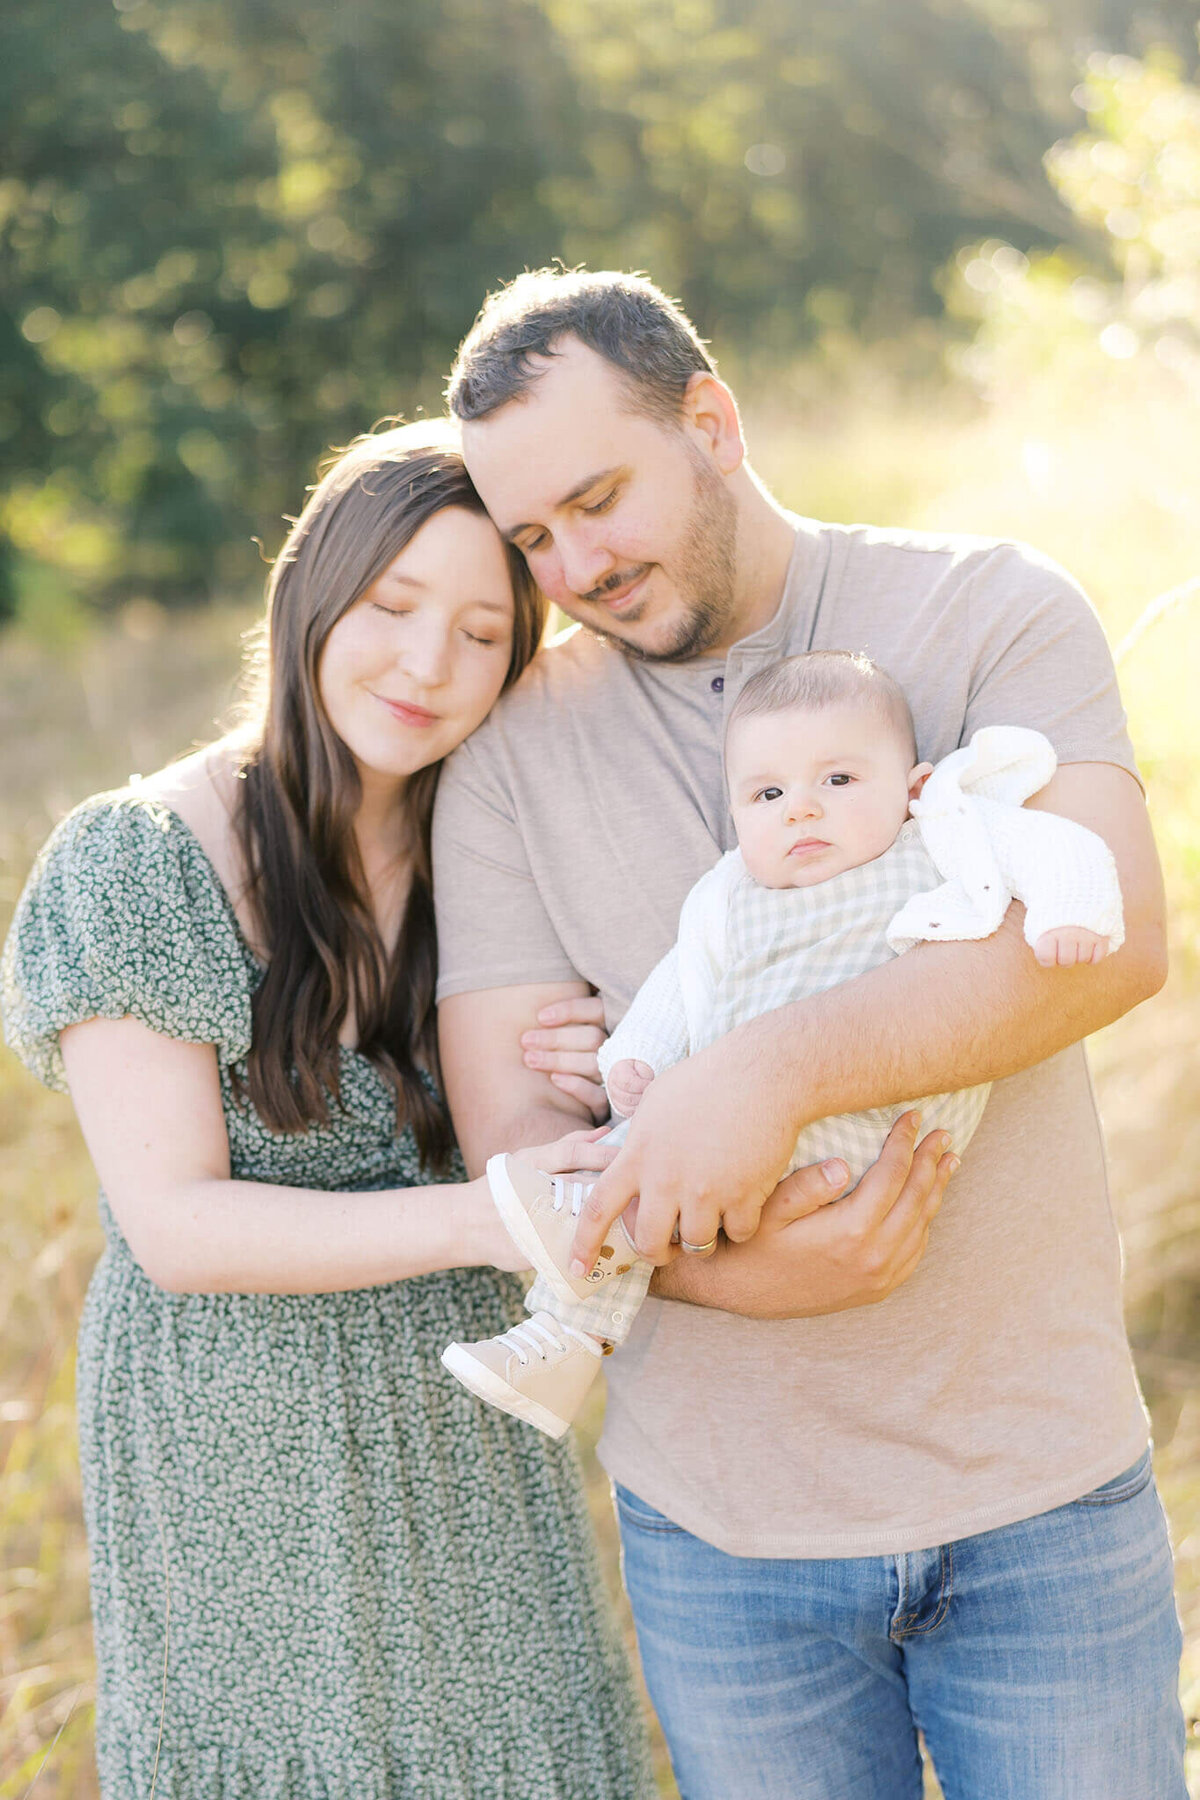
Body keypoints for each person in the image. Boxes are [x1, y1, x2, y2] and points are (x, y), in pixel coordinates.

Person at [431, 270, 1185, 1799]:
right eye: (533, 538)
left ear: (711, 420)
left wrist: (761, 1075)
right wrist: (727, 1274)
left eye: (598, 498)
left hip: (1037, 1491)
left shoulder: (987, 609)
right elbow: (516, 1136)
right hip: (723, 1545)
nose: (576, 564)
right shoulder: (509, 759)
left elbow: (1106, 945)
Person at [0, 421, 655, 1799]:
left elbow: (570, 1138)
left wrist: (605, 1048)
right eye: (394, 606)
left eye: (485, 634)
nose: (429, 666)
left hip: (464, 1431)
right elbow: (176, 1226)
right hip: (246, 1452)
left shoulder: (502, 852)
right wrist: (495, 1216)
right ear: (311, 594)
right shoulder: (145, 857)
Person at [441, 650, 1125, 1440]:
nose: (801, 810)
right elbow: (685, 980)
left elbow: (1049, 846)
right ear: (739, 816)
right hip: (736, 1125)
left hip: (877, 1117)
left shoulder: (936, 836)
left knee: (654, 1170)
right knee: (647, 1146)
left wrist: (1069, 910)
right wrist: (634, 1056)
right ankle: (559, 1344)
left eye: (837, 782)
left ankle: (588, 1234)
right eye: (769, 794)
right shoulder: (731, 893)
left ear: (911, 786)